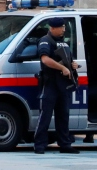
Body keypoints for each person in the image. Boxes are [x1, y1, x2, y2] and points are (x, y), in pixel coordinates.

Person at [33, 18, 79, 155]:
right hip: (50, 83)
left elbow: (67, 60)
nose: (64, 29)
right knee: (45, 116)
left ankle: (65, 144)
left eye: (64, 27)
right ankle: (39, 145)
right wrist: (62, 68)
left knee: (63, 115)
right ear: (53, 28)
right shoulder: (46, 41)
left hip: (63, 85)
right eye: (61, 27)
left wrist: (72, 65)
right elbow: (45, 59)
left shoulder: (63, 42)